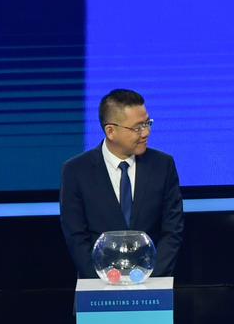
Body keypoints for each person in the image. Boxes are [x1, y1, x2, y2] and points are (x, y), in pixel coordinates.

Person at [60, 89, 184, 278]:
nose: (146, 132)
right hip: (98, 285)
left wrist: (148, 278)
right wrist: (106, 281)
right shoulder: (76, 171)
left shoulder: (163, 165)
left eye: (147, 123)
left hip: (152, 284)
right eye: (137, 128)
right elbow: (76, 237)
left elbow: (172, 231)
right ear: (111, 131)